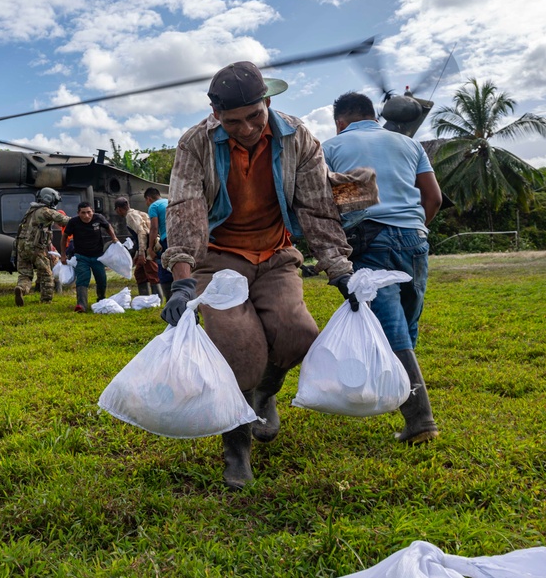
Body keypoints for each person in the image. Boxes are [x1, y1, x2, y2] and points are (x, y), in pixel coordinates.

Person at [160, 61, 377, 490]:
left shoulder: (298, 137)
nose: (245, 128)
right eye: (232, 121)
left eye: (254, 117)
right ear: (215, 113)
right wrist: (183, 279)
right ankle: (236, 447)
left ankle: (266, 394)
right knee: (240, 351)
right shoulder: (195, 143)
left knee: (298, 335)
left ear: (268, 102)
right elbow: (185, 207)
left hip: (276, 254)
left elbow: (316, 206)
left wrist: (340, 270)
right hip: (219, 259)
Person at [322, 91, 443, 444]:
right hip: (415, 238)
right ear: (374, 115)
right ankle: (399, 386)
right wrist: (415, 227)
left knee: (391, 330)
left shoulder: (332, 147)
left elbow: (338, 206)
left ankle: (420, 421)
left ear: (339, 121)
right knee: (406, 323)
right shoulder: (409, 144)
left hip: (369, 239)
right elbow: (432, 198)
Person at [13, 187, 71, 306]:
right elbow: (63, 220)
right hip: (35, 248)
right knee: (46, 273)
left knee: (25, 274)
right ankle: (46, 300)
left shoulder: (31, 211)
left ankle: (21, 289)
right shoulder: (45, 211)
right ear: (49, 199)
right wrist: (81, 220)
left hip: (21, 247)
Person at [61, 202, 119, 312]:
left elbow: (108, 226)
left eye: (89, 212)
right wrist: (63, 255)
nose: (86, 216)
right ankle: (81, 305)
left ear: (92, 211)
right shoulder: (73, 222)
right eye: (83, 213)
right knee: (82, 279)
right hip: (81, 256)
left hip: (97, 256)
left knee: (101, 279)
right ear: (78, 213)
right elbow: (64, 237)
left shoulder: (98, 218)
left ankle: (101, 299)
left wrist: (114, 238)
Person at [113, 196, 164, 299]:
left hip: (147, 247)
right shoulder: (139, 213)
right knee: (139, 273)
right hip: (147, 246)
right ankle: (144, 298)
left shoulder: (130, 216)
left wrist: (142, 253)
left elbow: (142, 233)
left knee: (152, 273)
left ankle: (158, 299)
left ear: (118, 209)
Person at [143, 187, 171, 299]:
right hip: (178, 238)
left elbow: (154, 228)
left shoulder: (154, 206)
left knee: (163, 268)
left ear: (148, 198)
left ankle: (169, 299)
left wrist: (151, 248)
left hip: (166, 239)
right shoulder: (169, 201)